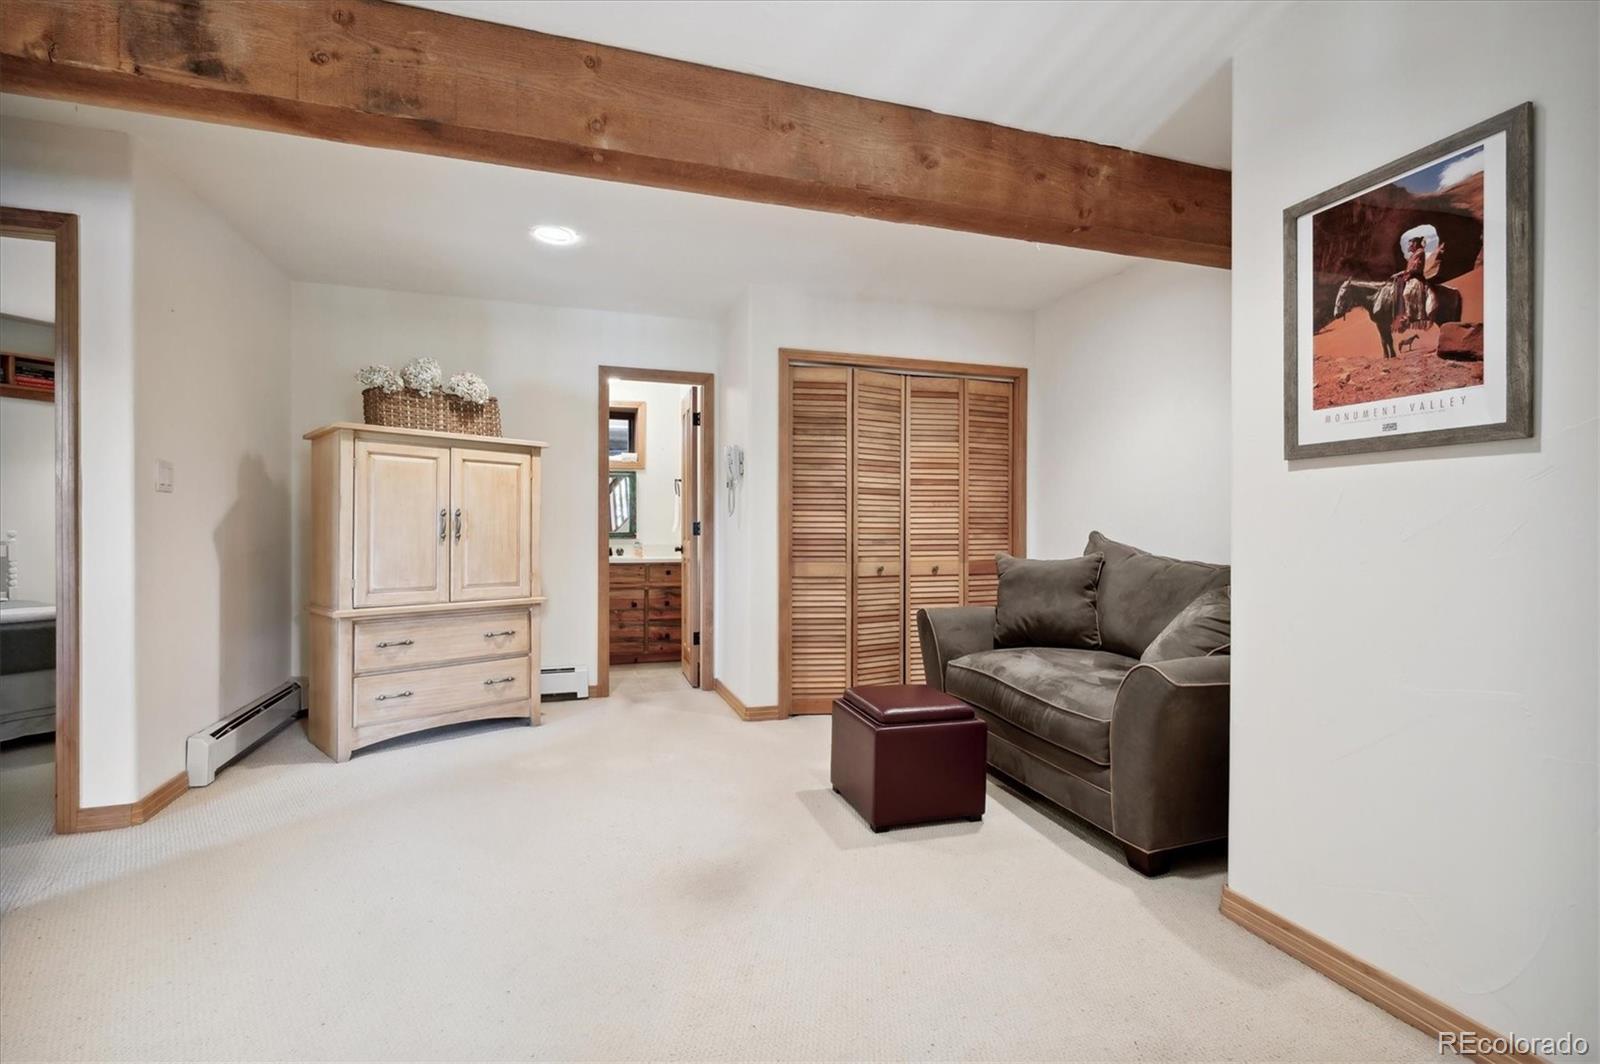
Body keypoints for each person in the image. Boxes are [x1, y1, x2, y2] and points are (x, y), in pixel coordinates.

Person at [1391, 234, 1427, 332]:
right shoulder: (1413, 255)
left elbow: (1416, 268)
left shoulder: (1420, 252)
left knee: (1407, 293)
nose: (1409, 247)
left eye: (1411, 244)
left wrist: (1402, 273)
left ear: (1415, 244)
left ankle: (1410, 316)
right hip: (1410, 277)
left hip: (1416, 278)